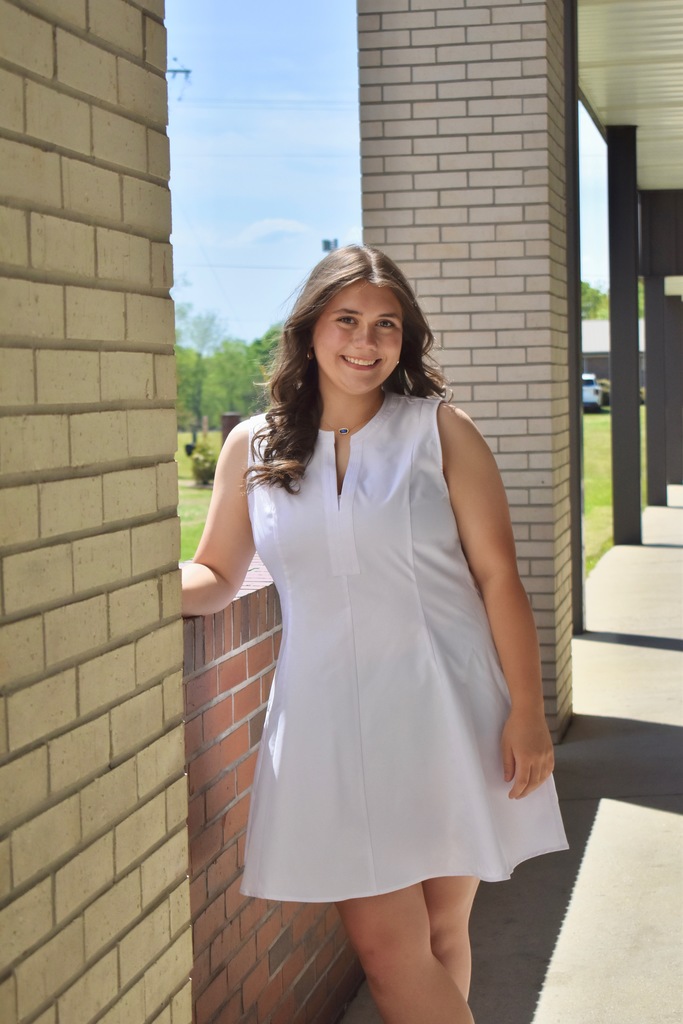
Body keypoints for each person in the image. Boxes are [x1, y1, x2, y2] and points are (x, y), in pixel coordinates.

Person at [182, 245, 568, 1024]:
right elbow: (219, 573)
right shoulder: (252, 447)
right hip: (327, 721)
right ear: (309, 329)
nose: (366, 342)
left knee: (439, 929)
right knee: (391, 957)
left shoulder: (440, 430)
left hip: (449, 706)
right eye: (347, 321)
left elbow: (498, 579)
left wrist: (527, 711)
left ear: (406, 338)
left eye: (385, 325)